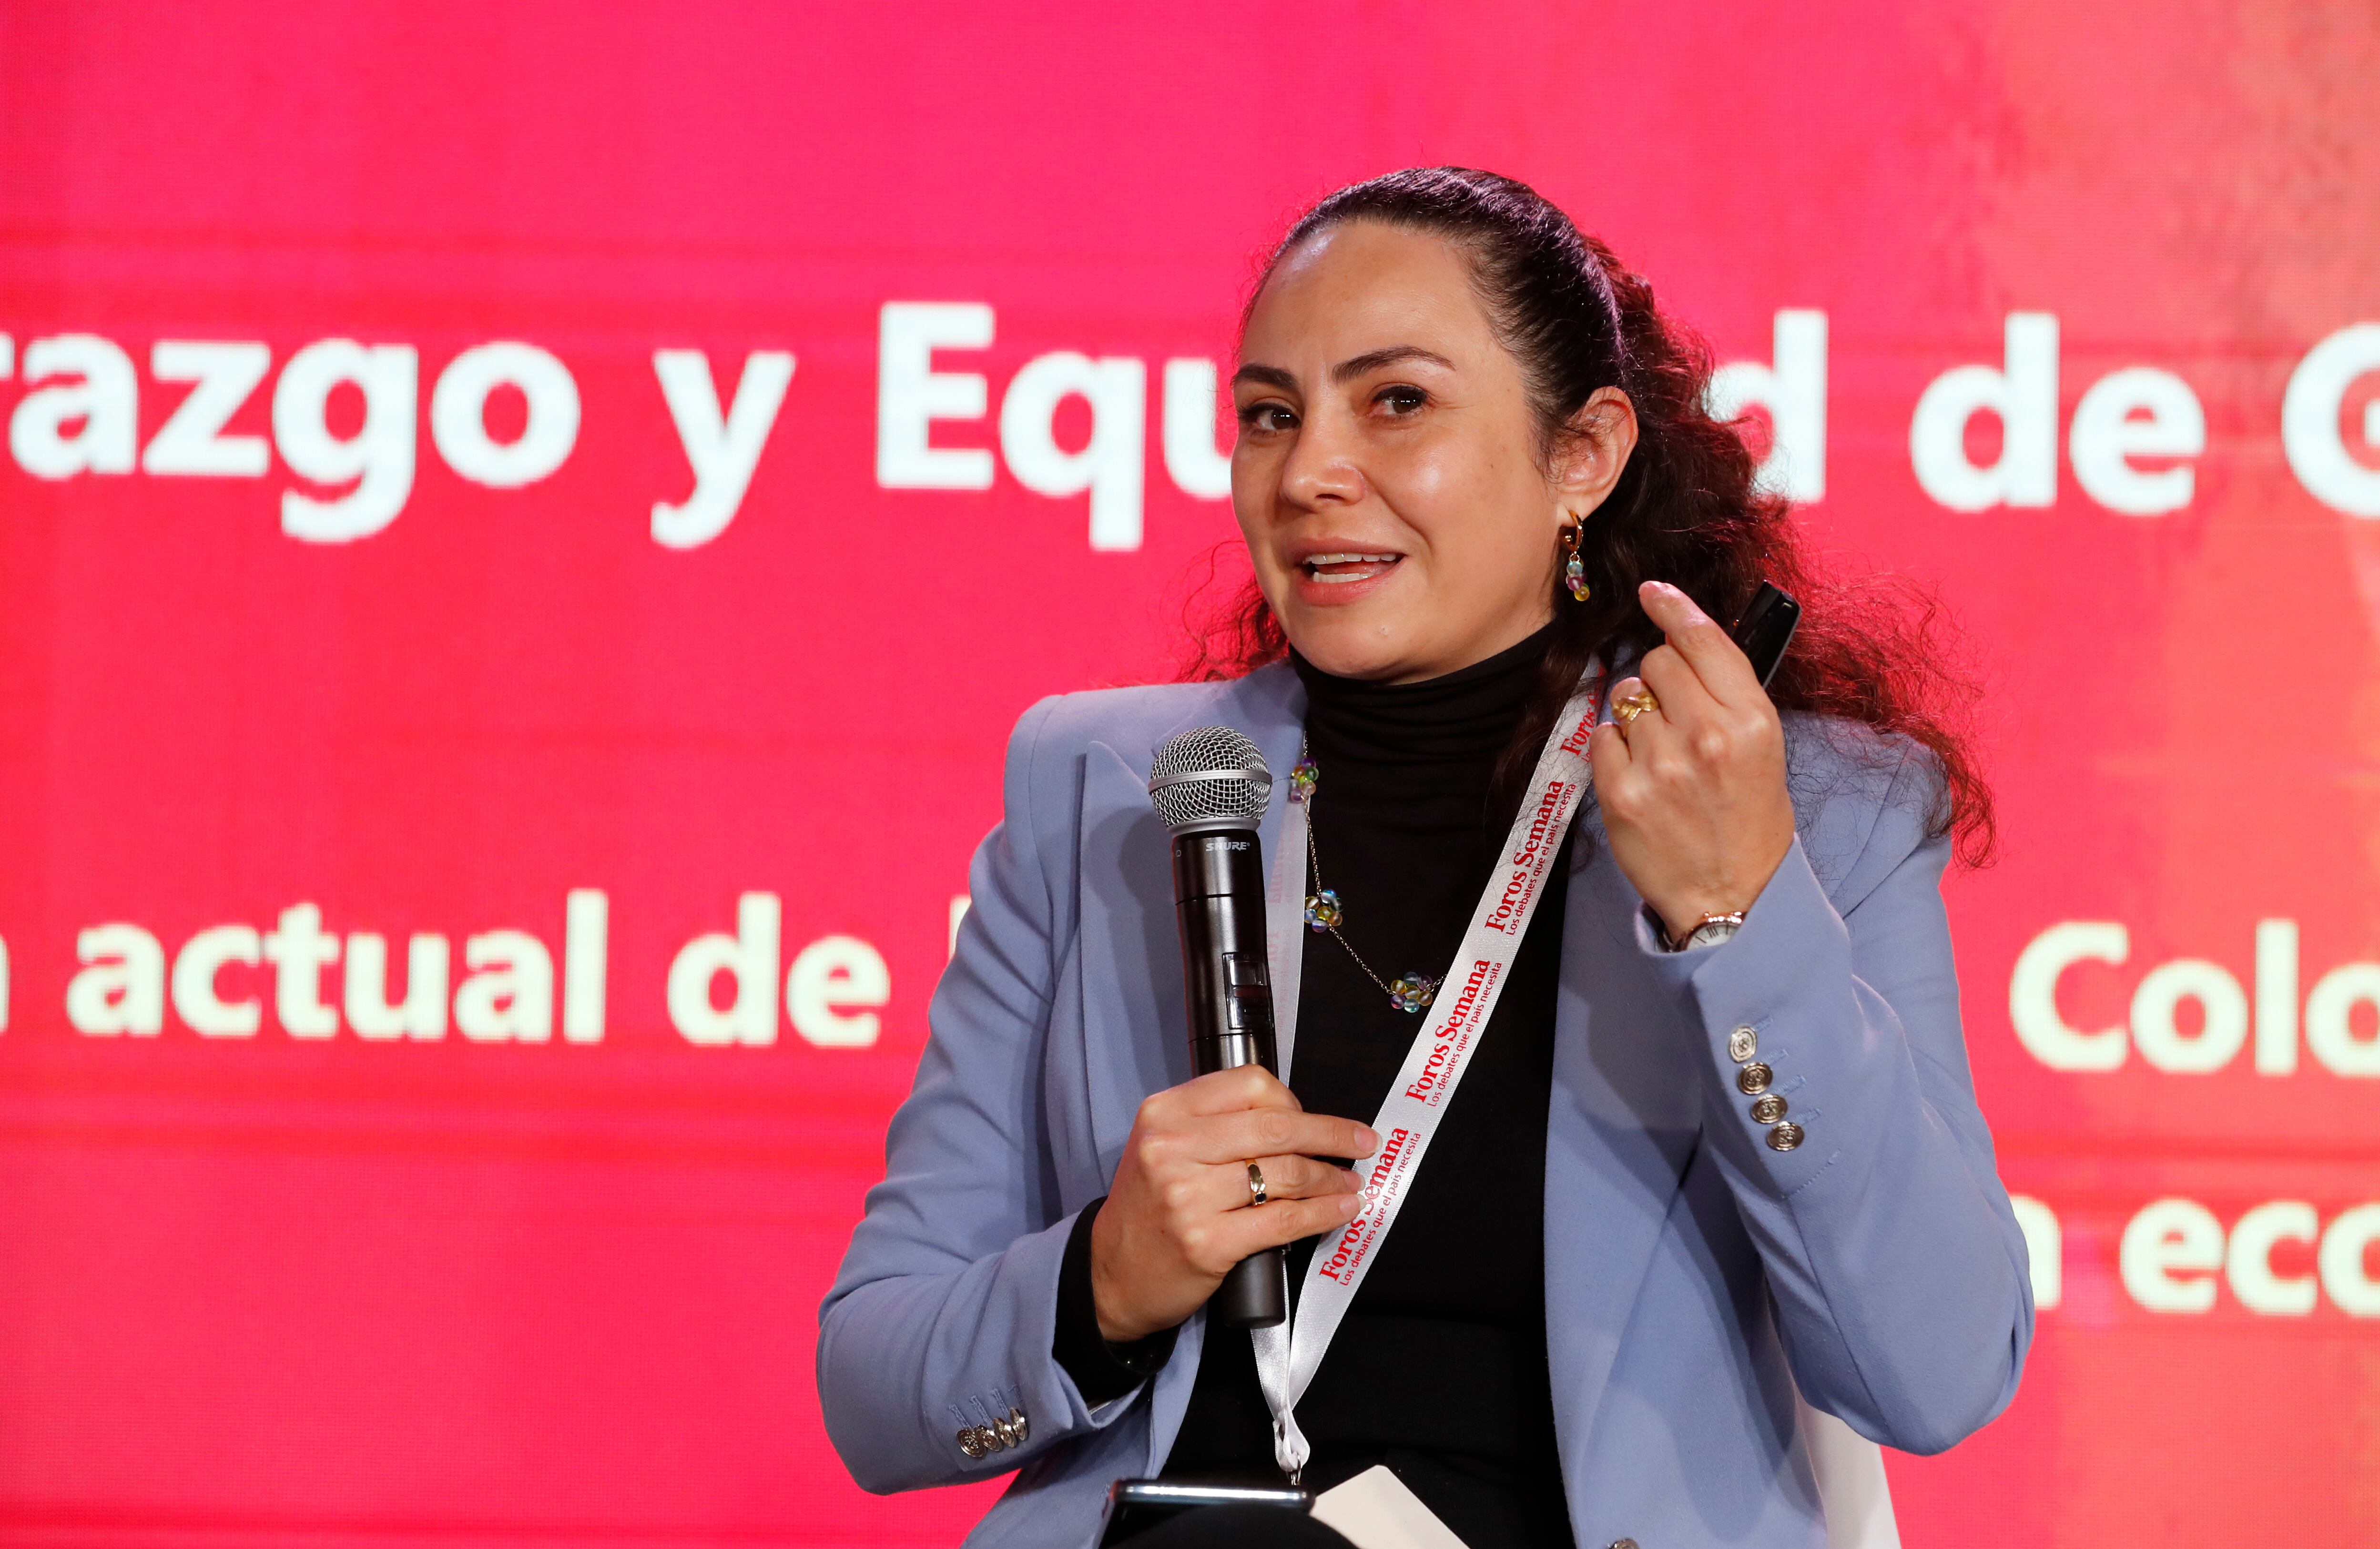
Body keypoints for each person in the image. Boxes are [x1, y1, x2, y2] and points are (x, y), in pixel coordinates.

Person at [818, 168, 2031, 1549]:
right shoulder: (1095, 790)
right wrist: (1097, 1279)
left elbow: (1935, 1372)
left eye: (1395, 402)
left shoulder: (1819, 810)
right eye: (1269, 415)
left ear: (1580, 453)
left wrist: (1735, 910)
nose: (1308, 472)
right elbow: (874, 1388)